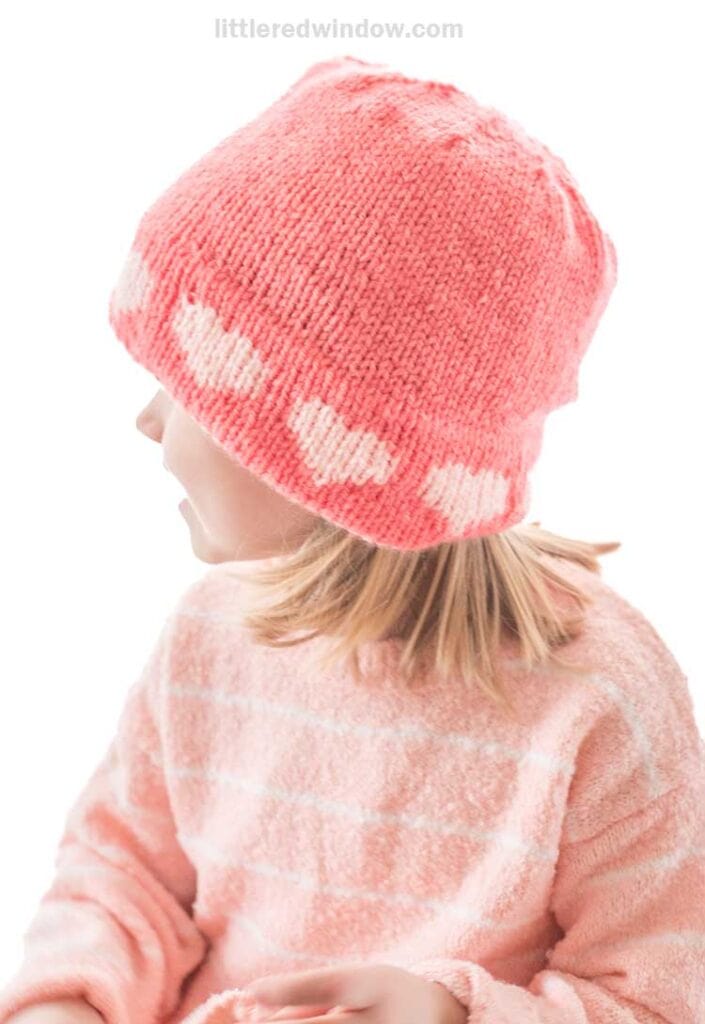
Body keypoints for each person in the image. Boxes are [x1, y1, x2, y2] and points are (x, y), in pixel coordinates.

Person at [1, 54, 703, 1024]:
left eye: (193, 384)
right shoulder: (212, 634)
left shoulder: (597, 697)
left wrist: (455, 1013)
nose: (148, 421)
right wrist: (65, 1005)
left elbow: (664, 996)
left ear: (326, 448)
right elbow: (123, 877)